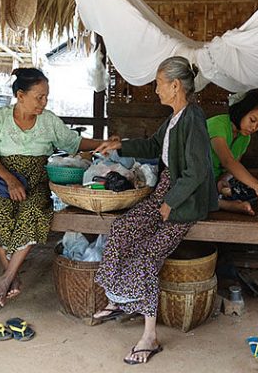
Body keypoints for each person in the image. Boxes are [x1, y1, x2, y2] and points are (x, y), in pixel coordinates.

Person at [93, 56, 218, 365]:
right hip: (166, 193)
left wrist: (170, 202)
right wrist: (119, 147)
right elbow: (152, 146)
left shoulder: (194, 119)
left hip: (184, 202)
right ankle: (118, 299)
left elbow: (198, 171)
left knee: (149, 255)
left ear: (175, 86)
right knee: (122, 229)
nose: (156, 89)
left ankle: (150, 336)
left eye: (160, 83)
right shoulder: (175, 118)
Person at [0, 68, 102, 307]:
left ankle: (8, 278)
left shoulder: (48, 120)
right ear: (20, 95)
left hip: (36, 181)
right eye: (39, 97)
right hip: (5, 178)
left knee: (33, 213)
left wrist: (102, 143)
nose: (43, 103)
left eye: (46, 97)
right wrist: (10, 181)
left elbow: (73, 142)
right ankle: (10, 276)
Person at [206, 90, 258, 214]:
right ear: (241, 111)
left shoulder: (244, 138)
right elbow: (228, 161)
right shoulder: (218, 124)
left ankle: (223, 202)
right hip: (198, 180)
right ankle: (223, 204)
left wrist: (223, 180)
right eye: (252, 120)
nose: (254, 128)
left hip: (214, 185)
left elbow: (230, 170)